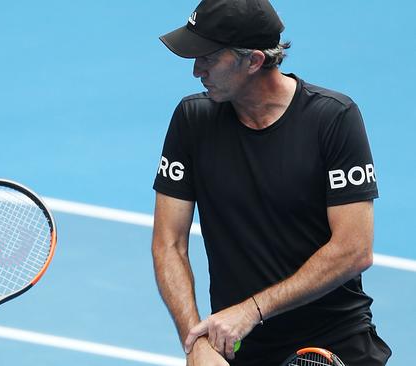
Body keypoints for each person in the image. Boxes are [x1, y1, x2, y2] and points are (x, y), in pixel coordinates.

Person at [151, 1, 392, 365]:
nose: (196, 70)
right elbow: (169, 243)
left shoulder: (333, 119)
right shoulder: (192, 120)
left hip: (332, 346)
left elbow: (354, 249)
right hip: (240, 347)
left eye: (209, 58)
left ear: (254, 61)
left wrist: (251, 310)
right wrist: (196, 341)